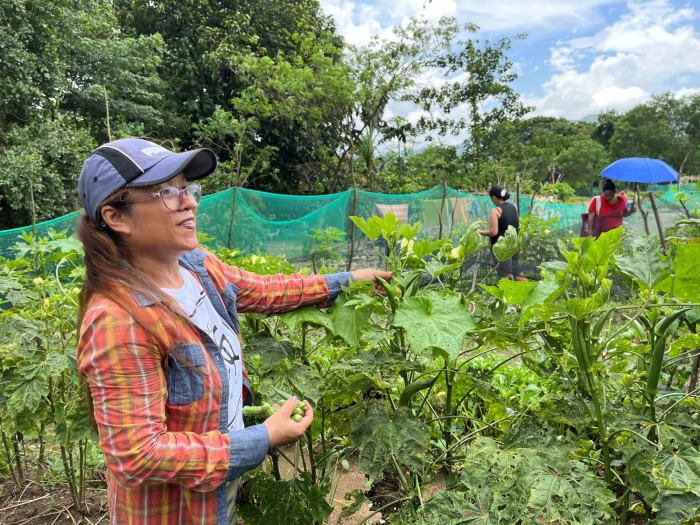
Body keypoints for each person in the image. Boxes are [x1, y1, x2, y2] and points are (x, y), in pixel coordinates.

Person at [75, 137, 392, 525]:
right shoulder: (119, 319)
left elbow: (263, 289)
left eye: (189, 189)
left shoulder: (196, 266)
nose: (189, 202)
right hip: (174, 510)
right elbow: (138, 456)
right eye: (167, 193)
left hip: (218, 481)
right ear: (116, 217)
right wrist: (262, 439)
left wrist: (348, 280)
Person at [478, 185, 527, 281]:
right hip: (513, 244)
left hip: (501, 247)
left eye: (491, 198)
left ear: (494, 197)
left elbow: (493, 232)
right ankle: (531, 293)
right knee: (517, 273)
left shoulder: (495, 211)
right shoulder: (513, 207)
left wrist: (480, 232)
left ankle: (507, 295)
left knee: (504, 276)